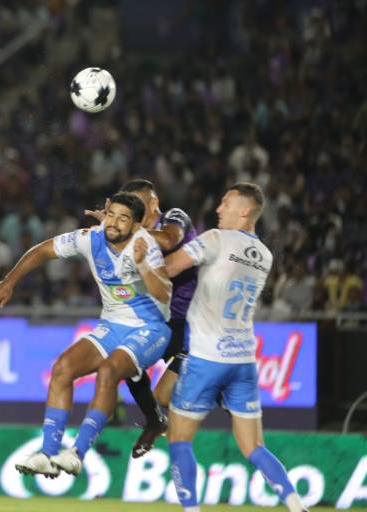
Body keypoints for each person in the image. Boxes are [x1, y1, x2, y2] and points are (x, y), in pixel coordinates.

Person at [0, 192, 172, 477]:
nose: (114, 223)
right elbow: (43, 250)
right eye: (112, 215)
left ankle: (77, 453)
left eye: (123, 219)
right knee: (62, 368)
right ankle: (47, 453)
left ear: (136, 225)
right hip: (112, 325)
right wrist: (9, 282)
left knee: (109, 371)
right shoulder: (91, 238)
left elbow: (164, 293)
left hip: (150, 328)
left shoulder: (144, 245)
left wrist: (143, 265)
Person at [161, 183, 309, 512]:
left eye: (225, 203)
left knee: (179, 438)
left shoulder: (216, 238)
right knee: (254, 446)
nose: (218, 209)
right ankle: (296, 506)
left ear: (244, 211)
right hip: (242, 360)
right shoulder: (265, 255)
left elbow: (169, 268)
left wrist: (138, 253)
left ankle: (191, 510)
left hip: (206, 357)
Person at [86, 178, 198, 457]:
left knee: (164, 394)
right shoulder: (129, 238)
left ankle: (226, 403)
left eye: (137, 207)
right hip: (154, 319)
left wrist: (128, 228)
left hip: (188, 323)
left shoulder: (173, 218)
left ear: (154, 203)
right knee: (129, 364)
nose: (131, 213)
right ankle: (154, 421)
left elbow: (170, 240)